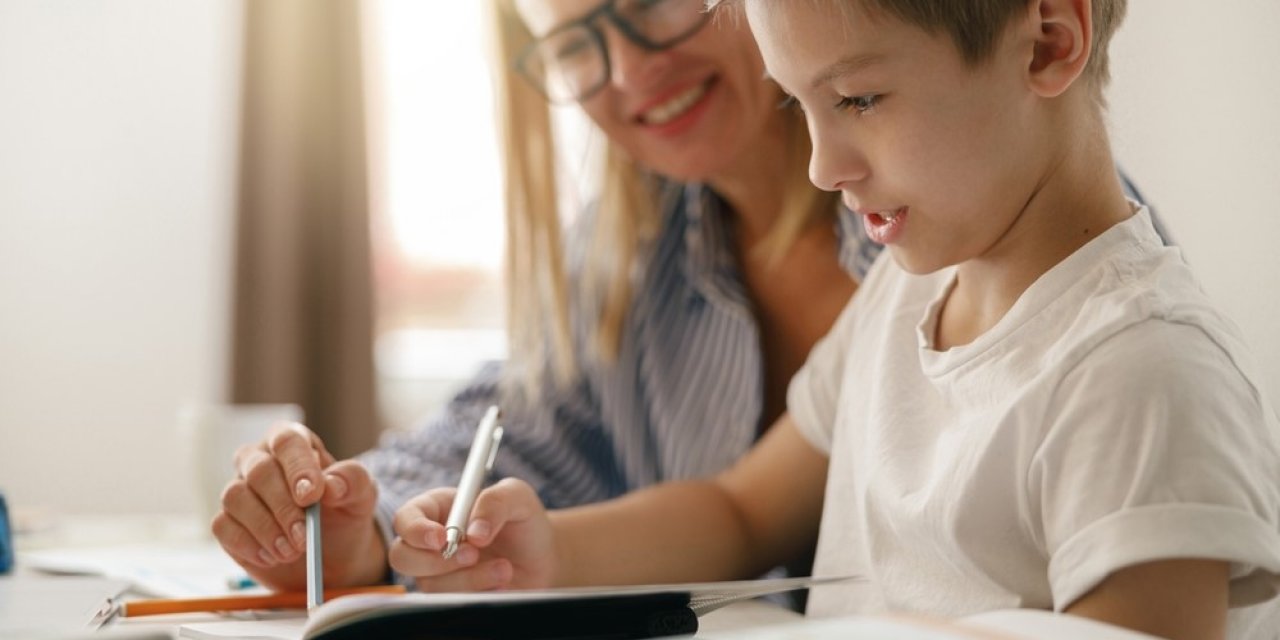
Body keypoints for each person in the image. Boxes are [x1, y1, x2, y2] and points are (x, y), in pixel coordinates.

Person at [385, 0, 1280, 638]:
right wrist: (546, 553)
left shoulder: (1142, 369)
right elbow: (737, 513)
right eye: (798, 104)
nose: (820, 165)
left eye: (855, 100)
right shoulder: (904, 293)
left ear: (1047, 42)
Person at [210, 0, 1156, 598]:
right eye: (576, 42)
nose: (628, 74)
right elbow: (725, 510)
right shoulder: (639, 255)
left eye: (652, 3)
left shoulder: (1029, 277)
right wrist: (361, 528)